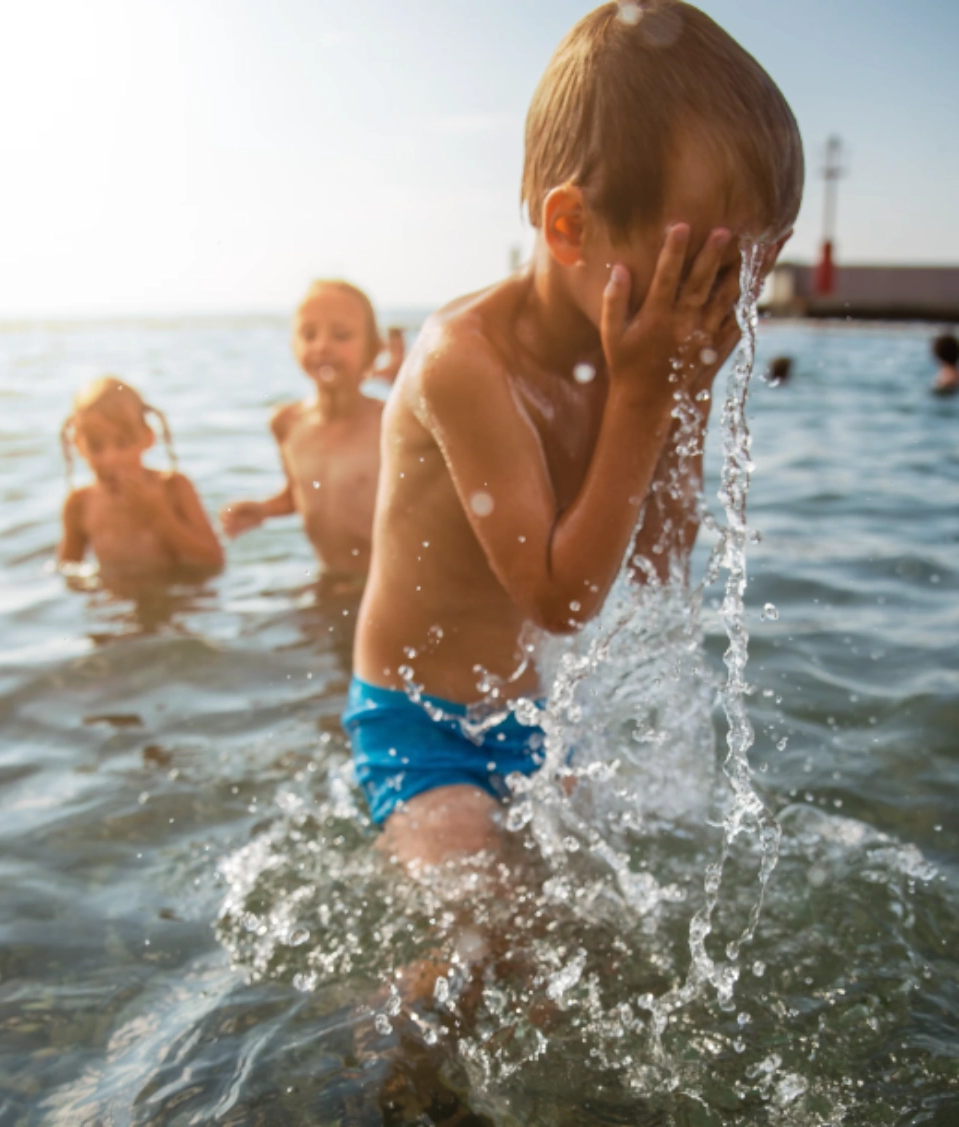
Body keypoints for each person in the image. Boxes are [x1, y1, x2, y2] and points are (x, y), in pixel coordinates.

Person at [344, 0, 803, 870]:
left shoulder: (626, 362)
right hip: (418, 723)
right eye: (695, 275)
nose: (712, 308)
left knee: (597, 915)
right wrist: (645, 396)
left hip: (530, 715)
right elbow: (558, 599)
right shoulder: (464, 361)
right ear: (569, 229)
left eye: (736, 280)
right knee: (478, 917)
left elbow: (658, 562)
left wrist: (686, 393)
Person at [220, 280, 395, 576]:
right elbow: (302, 493)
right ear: (293, 346)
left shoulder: (389, 425)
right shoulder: (287, 423)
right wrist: (264, 509)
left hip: (386, 586)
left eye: (341, 335)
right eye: (308, 334)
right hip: (328, 578)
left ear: (373, 349)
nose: (322, 346)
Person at [58, 377, 223, 575]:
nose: (110, 458)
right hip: (114, 594)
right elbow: (67, 569)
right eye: (96, 446)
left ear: (147, 437)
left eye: (122, 444)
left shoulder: (174, 487)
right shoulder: (79, 504)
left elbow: (214, 560)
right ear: (78, 444)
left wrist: (159, 514)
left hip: (178, 592)